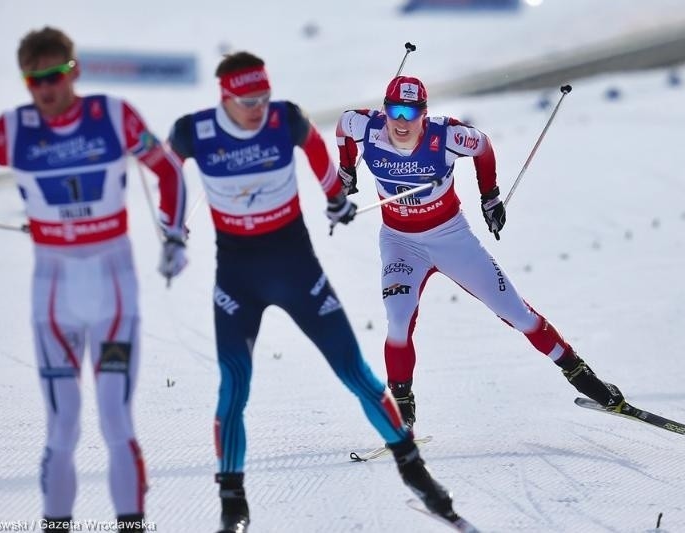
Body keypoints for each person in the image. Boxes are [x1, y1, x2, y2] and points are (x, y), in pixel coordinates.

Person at [162, 53, 462, 532]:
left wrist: (335, 197)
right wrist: (172, 231)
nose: (258, 107)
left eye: (263, 95)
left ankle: (417, 476)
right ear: (225, 96)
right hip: (236, 277)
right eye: (247, 100)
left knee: (355, 373)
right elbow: (163, 168)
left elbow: (317, 148)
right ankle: (232, 505)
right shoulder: (192, 131)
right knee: (234, 387)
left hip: (297, 268)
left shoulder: (284, 118)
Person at [0, 27, 188, 531]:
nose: (46, 89)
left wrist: (175, 236)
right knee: (62, 428)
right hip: (53, 296)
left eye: (55, 76)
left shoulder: (112, 117)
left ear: (73, 71)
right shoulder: (14, 129)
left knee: (116, 421)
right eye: (35, 80)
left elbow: (166, 170)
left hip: (112, 290)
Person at [335, 75, 625, 430]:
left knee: (516, 312)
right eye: (394, 110)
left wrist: (490, 197)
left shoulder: (447, 136)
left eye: (411, 113)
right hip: (400, 242)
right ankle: (402, 408)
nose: (401, 121)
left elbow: (483, 147)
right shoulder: (366, 126)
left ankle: (583, 377)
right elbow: (342, 126)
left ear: (424, 115)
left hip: (451, 238)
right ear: (385, 109)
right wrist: (346, 170)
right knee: (397, 320)